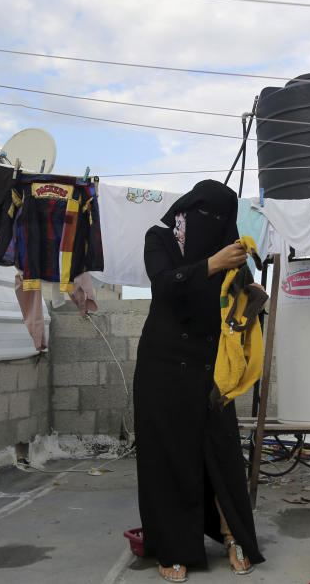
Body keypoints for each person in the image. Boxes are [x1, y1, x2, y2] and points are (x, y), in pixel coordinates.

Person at [133, 179, 265, 582]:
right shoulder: (160, 238)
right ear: (187, 210)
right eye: (203, 213)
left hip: (213, 366)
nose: (211, 222)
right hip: (163, 363)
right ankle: (174, 546)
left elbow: (233, 310)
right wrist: (211, 265)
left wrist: (251, 296)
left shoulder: (233, 253)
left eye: (219, 217)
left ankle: (233, 537)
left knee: (221, 453)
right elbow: (163, 285)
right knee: (169, 457)